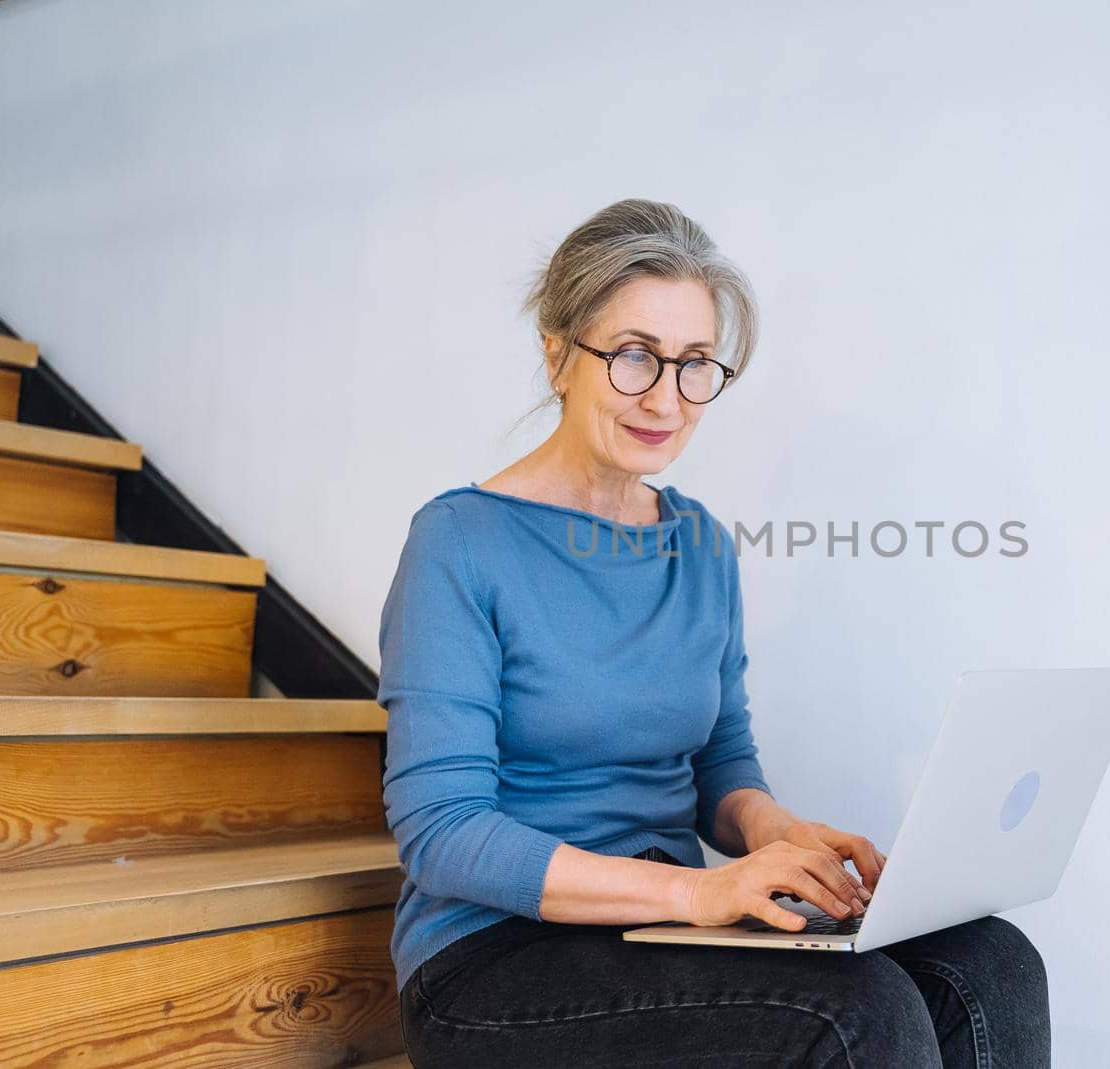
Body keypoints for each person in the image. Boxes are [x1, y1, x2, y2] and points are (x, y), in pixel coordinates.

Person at [380, 198, 1052, 1066]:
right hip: (497, 962)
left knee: (990, 959)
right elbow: (443, 829)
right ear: (557, 354)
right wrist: (697, 891)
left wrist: (776, 833)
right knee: (860, 1011)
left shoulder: (697, 542)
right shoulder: (460, 541)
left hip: (666, 925)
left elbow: (720, 765)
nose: (666, 397)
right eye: (633, 357)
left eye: (695, 363)